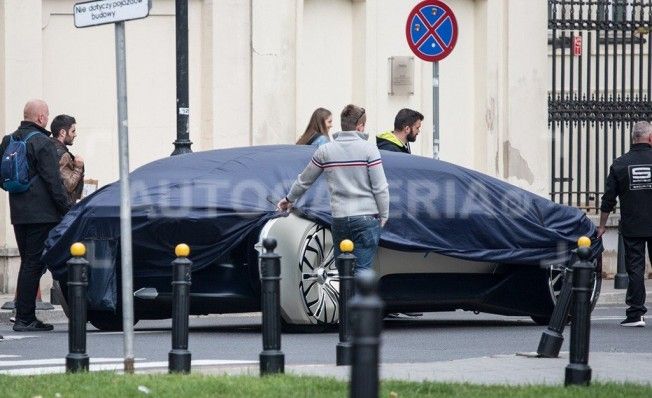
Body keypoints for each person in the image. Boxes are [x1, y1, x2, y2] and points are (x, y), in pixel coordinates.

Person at [278, 104, 389, 271]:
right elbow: (380, 187)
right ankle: (359, 297)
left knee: (344, 271)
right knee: (363, 270)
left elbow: (305, 180)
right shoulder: (369, 150)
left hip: (340, 218)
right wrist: (384, 213)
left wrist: (288, 199)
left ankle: (345, 298)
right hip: (366, 217)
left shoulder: (325, 150)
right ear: (360, 126)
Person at [0, 99, 71, 332]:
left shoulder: (9, 140)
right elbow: (54, 182)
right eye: (47, 115)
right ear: (41, 118)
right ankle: (25, 318)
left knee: (28, 263)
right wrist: (67, 209)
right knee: (34, 264)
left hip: (19, 213)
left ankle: (24, 315)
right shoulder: (43, 142)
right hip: (42, 214)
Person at [598, 120, 652, 327]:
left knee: (636, 270)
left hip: (633, 225)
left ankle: (636, 314)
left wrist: (602, 226)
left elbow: (608, 199)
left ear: (633, 138)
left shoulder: (620, 164)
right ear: (650, 138)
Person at [51, 114, 84, 203]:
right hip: (63, 209)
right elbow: (68, 185)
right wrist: (78, 167)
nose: (75, 135)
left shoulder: (49, 149)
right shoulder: (63, 155)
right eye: (73, 131)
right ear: (62, 133)